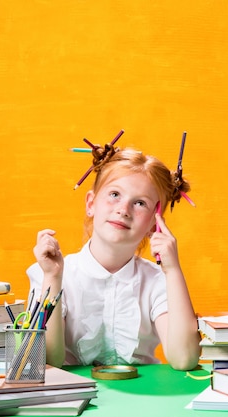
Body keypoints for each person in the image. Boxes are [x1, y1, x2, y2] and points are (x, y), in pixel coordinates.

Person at [26, 144, 201, 371]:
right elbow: (48, 362)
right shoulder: (51, 273)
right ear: (91, 204)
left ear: (153, 223)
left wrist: (173, 270)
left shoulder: (159, 280)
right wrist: (52, 278)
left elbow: (184, 359)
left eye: (140, 203)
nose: (123, 209)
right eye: (115, 195)